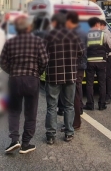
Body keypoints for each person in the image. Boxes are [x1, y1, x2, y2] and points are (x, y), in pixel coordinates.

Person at [0, 16, 48, 154]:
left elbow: (2, 61)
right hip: (32, 79)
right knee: (30, 112)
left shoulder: (10, 42)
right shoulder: (38, 41)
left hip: (14, 79)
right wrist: (37, 72)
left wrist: (12, 71)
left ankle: (14, 140)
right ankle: (26, 143)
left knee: (14, 111)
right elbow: (44, 60)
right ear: (29, 28)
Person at [45, 16, 83, 144]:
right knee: (69, 106)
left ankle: (51, 135)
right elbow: (81, 52)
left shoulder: (49, 36)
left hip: (53, 75)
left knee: (52, 106)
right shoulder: (73, 35)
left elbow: (43, 54)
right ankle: (69, 133)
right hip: (70, 75)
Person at [84, 17, 111, 111]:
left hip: (90, 62)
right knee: (102, 83)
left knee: (89, 84)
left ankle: (90, 104)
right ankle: (101, 104)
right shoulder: (103, 35)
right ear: (96, 24)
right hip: (101, 62)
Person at [64, 11, 86, 130]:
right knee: (75, 93)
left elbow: (79, 52)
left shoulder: (75, 33)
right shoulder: (81, 32)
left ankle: (75, 122)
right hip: (80, 66)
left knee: (74, 95)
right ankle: (73, 120)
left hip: (75, 67)